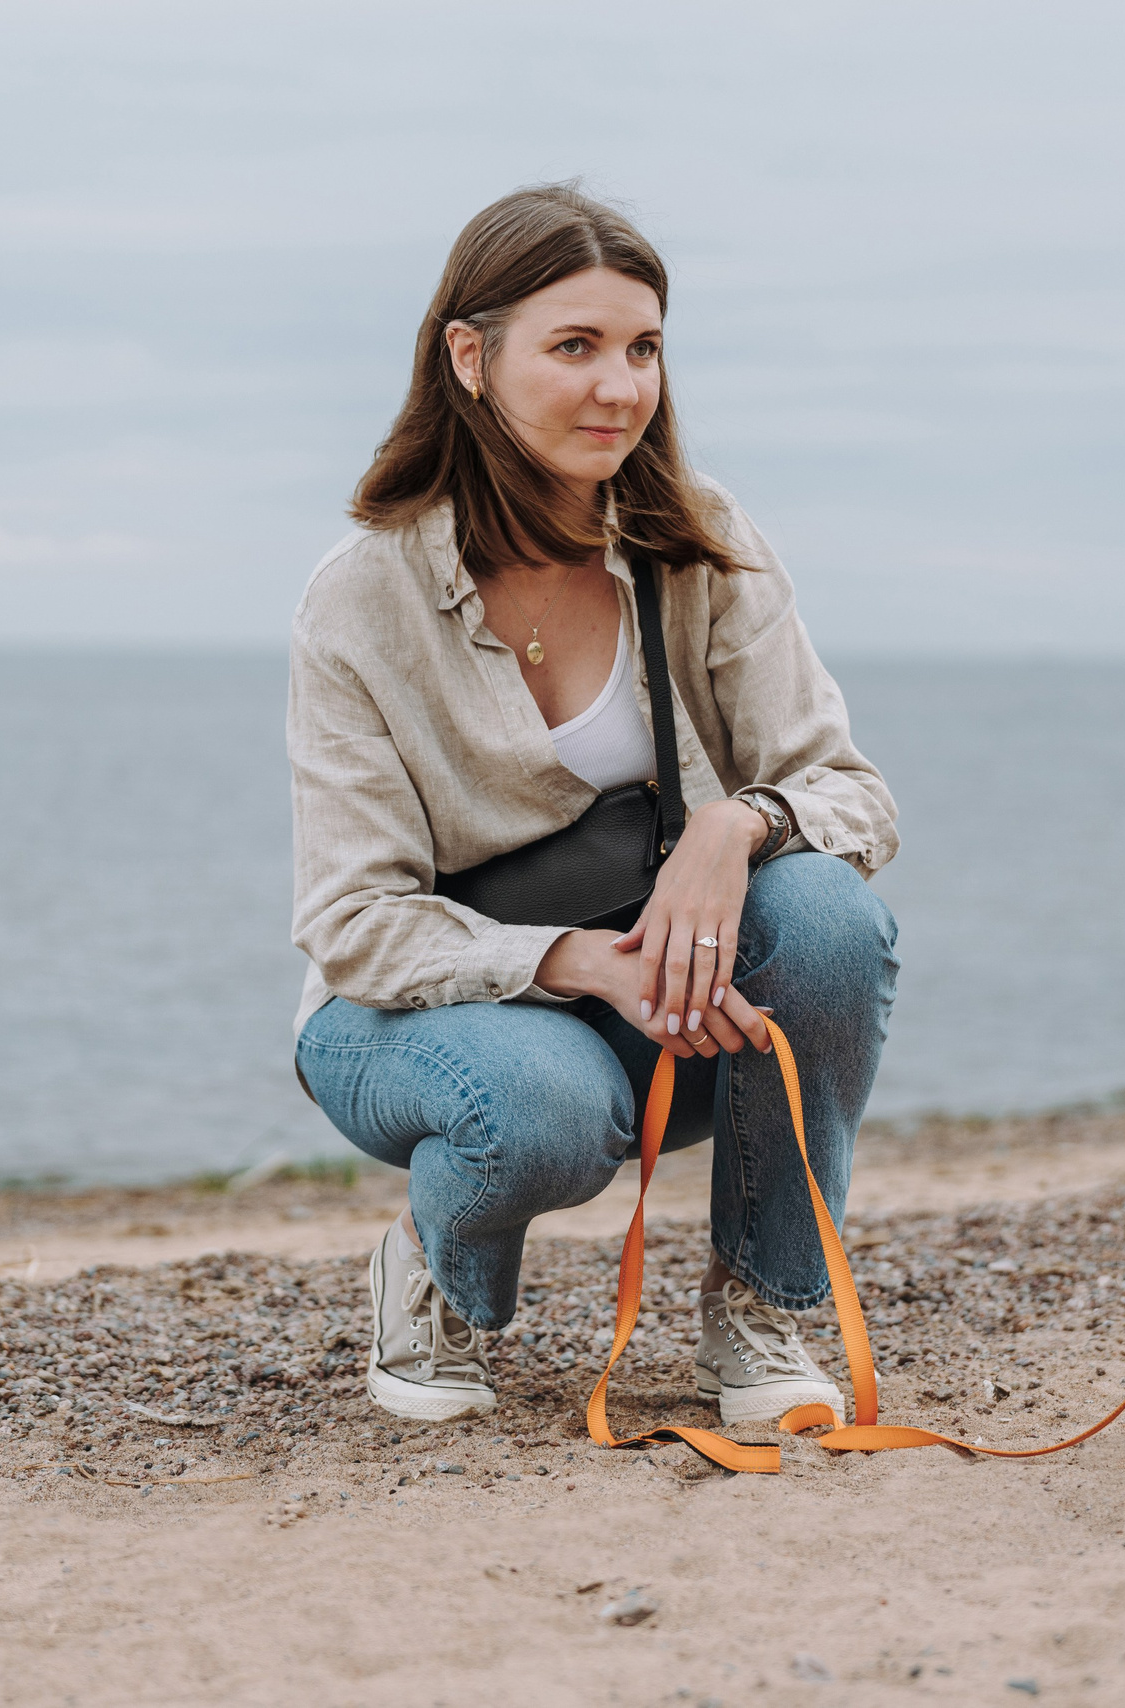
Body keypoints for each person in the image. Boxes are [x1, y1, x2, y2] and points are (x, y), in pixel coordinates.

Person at [288, 183, 899, 1430]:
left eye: (643, 348)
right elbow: (353, 924)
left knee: (828, 919)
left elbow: (851, 794)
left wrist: (734, 827)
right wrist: (579, 962)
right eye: (574, 346)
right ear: (471, 358)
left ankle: (764, 1307)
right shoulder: (361, 597)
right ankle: (434, 1271)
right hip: (407, 1015)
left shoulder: (699, 541)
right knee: (543, 1108)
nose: (620, 388)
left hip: (660, 1002)